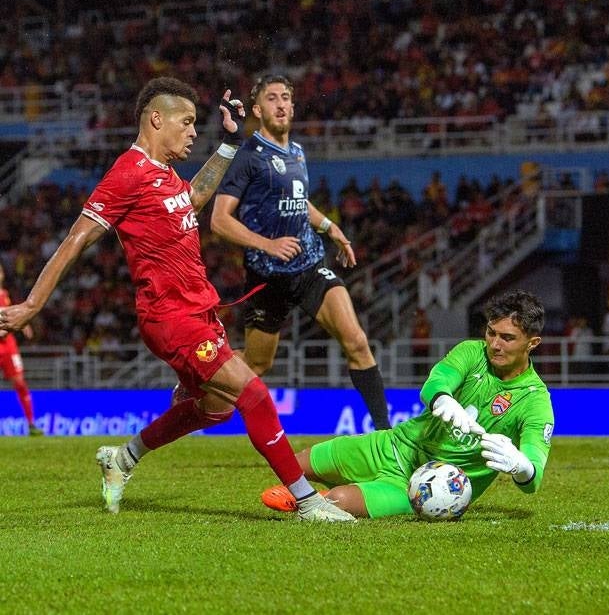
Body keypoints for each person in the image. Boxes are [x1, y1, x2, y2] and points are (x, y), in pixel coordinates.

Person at [0, 76, 351, 522]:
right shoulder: (127, 172)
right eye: (185, 123)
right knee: (255, 396)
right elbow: (76, 239)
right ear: (155, 119)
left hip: (199, 311)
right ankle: (307, 501)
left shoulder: (164, 176)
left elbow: (195, 200)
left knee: (217, 408)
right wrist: (32, 305)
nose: (191, 132)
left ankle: (123, 457)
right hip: (170, 317)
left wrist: (228, 144)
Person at [258, 289, 554, 519]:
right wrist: (443, 399)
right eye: (491, 333)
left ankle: (313, 497)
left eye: (507, 338)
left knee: (338, 501)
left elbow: (534, 478)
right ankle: (306, 492)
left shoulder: (535, 401)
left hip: (427, 487)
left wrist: (521, 467)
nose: (495, 344)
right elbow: (437, 382)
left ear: (533, 343)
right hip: (394, 445)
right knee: (294, 465)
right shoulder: (471, 352)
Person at [210, 74, 389, 430]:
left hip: (308, 268)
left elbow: (296, 201)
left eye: (286, 97)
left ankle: (387, 434)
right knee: (258, 364)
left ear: (293, 105)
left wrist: (330, 228)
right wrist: (267, 244)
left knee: (356, 340)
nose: (281, 104)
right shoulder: (249, 156)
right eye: (272, 98)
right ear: (258, 110)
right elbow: (218, 220)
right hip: (267, 279)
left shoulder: (297, 151)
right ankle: (197, 387)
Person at [0, 265, 42, 436]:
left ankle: (31, 423)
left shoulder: (4, 295)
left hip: (8, 345)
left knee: (20, 383)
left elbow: (10, 316)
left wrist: (23, 323)